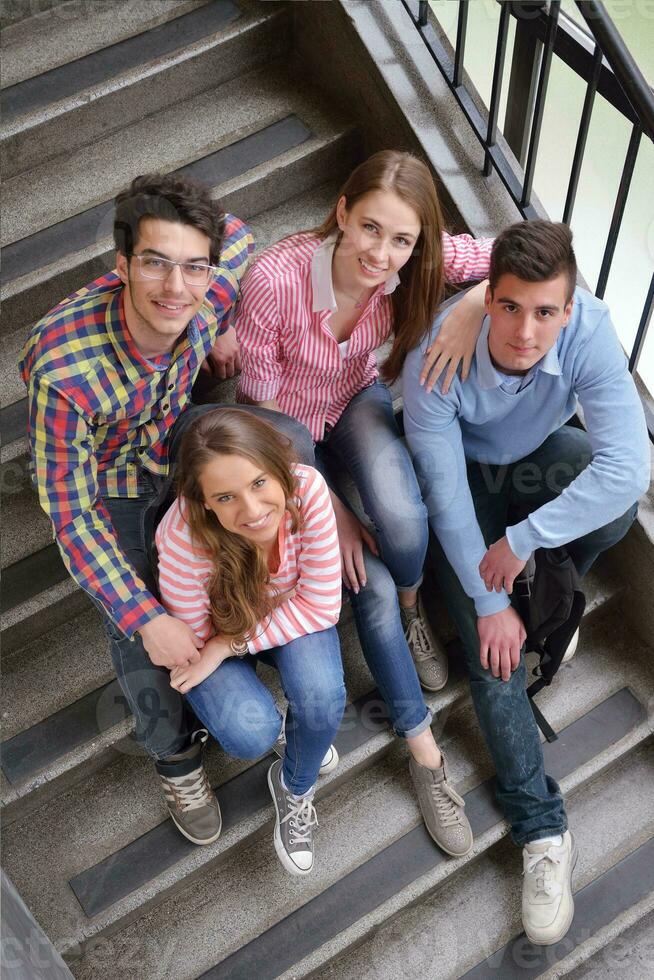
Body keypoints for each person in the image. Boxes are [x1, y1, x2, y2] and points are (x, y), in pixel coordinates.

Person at [19, 173, 314, 848]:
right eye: (155, 263)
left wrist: (224, 329)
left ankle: (275, 601)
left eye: (192, 267)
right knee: (134, 628)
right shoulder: (65, 374)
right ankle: (176, 759)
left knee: (286, 445)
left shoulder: (208, 289)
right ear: (122, 265)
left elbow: (238, 235)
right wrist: (146, 616)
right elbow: (70, 512)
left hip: (175, 435)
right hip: (112, 478)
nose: (177, 288)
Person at [234, 150, 493, 856]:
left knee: (405, 526)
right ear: (343, 213)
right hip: (280, 434)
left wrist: (471, 303)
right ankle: (430, 761)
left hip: (355, 403)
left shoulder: (415, 266)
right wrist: (328, 509)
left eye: (402, 239)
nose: (383, 253)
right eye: (370, 228)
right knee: (367, 585)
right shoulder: (276, 281)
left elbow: (523, 252)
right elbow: (257, 417)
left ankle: (415, 610)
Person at [401, 219, 650, 944]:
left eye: (546, 312)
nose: (525, 330)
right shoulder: (436, 362)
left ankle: (552, 602)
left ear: (569, 310)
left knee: (609, 493)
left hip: (539, 463)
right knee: (494, 652)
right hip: (466, 484)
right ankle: (543, 830)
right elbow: (445, 499)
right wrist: (487, 602)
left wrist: (524, 541)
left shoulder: (588, 327)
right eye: (508, 307)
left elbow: (629, 470)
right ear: (488, 297)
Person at [155, 409, 345, 875]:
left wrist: (230, 644)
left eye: (260, 483)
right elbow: (198, 640)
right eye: (226, 496)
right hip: (218, 630)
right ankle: (284, 734)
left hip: (277, 617)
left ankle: (294, 786)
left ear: (279, 470)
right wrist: (222, 645)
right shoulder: (183, 540)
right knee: (248, 733)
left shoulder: (309, 491)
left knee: (321, 699)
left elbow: (320, 606)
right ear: (204, 503)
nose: (253, 510)